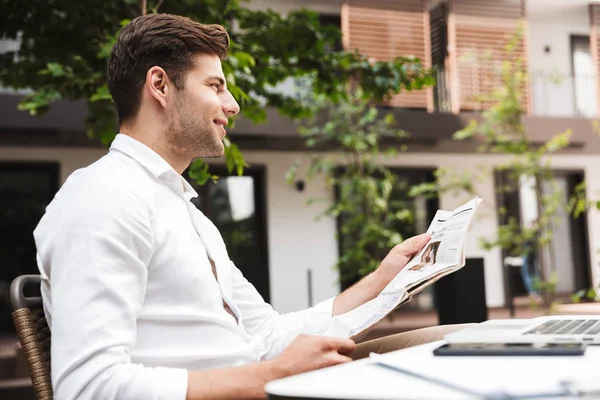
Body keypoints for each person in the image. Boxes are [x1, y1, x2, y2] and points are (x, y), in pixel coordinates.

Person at [33, 14, 471, 400]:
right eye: (215, 86)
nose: (232, 104)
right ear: (160, 85)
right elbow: (88, 388)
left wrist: (383, 280)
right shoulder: (103, 198)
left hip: (264, 388)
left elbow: (266, 335)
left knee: (465, 342)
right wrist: (268, 378)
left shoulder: (185, 212)